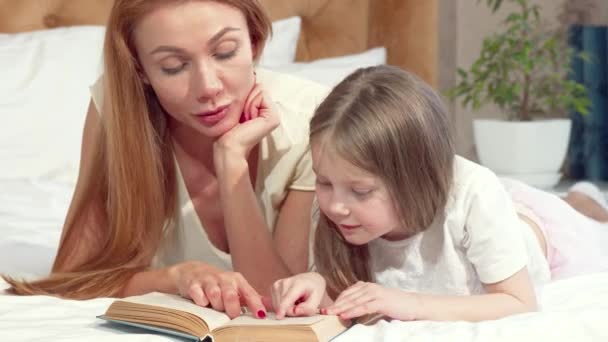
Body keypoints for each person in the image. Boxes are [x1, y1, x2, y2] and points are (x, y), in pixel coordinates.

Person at [3, 0, 329, 319]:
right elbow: (71, 278)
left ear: (255, 42)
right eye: (173, 66)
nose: (208, 86)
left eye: (226, 51)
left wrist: (231, 165)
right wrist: (176, 278)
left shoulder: (310, 121)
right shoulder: (117, 111)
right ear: (140, 70)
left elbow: (277, 301)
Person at [269, 65, 608, 322]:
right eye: (323, 183)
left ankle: (584, 197)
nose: (335, 205)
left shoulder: (474, 195)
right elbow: (358, 288)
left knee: (591, 223)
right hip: (473, 211)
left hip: (537, 231)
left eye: (360, 190)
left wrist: (408, 303)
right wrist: (318, 285)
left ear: (413, 177)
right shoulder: (343, 203)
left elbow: (519, 301)